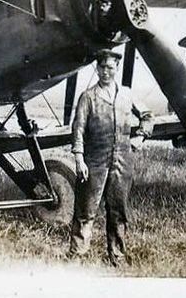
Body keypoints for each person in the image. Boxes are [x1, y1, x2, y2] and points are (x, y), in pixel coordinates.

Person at [69, 48, 151, 266]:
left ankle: (117, 256)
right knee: (86, 210)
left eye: (110, 67)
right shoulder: (88, 97)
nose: (106, 71)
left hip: (122, 161)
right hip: (95, 159)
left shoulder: (126, 94)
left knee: (118, 211)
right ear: (97, 69)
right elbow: (78, 129)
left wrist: (141, 137)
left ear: (117, 69)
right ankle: (77, 255)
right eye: (102, 67)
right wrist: (79, 158)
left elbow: (147, 116)